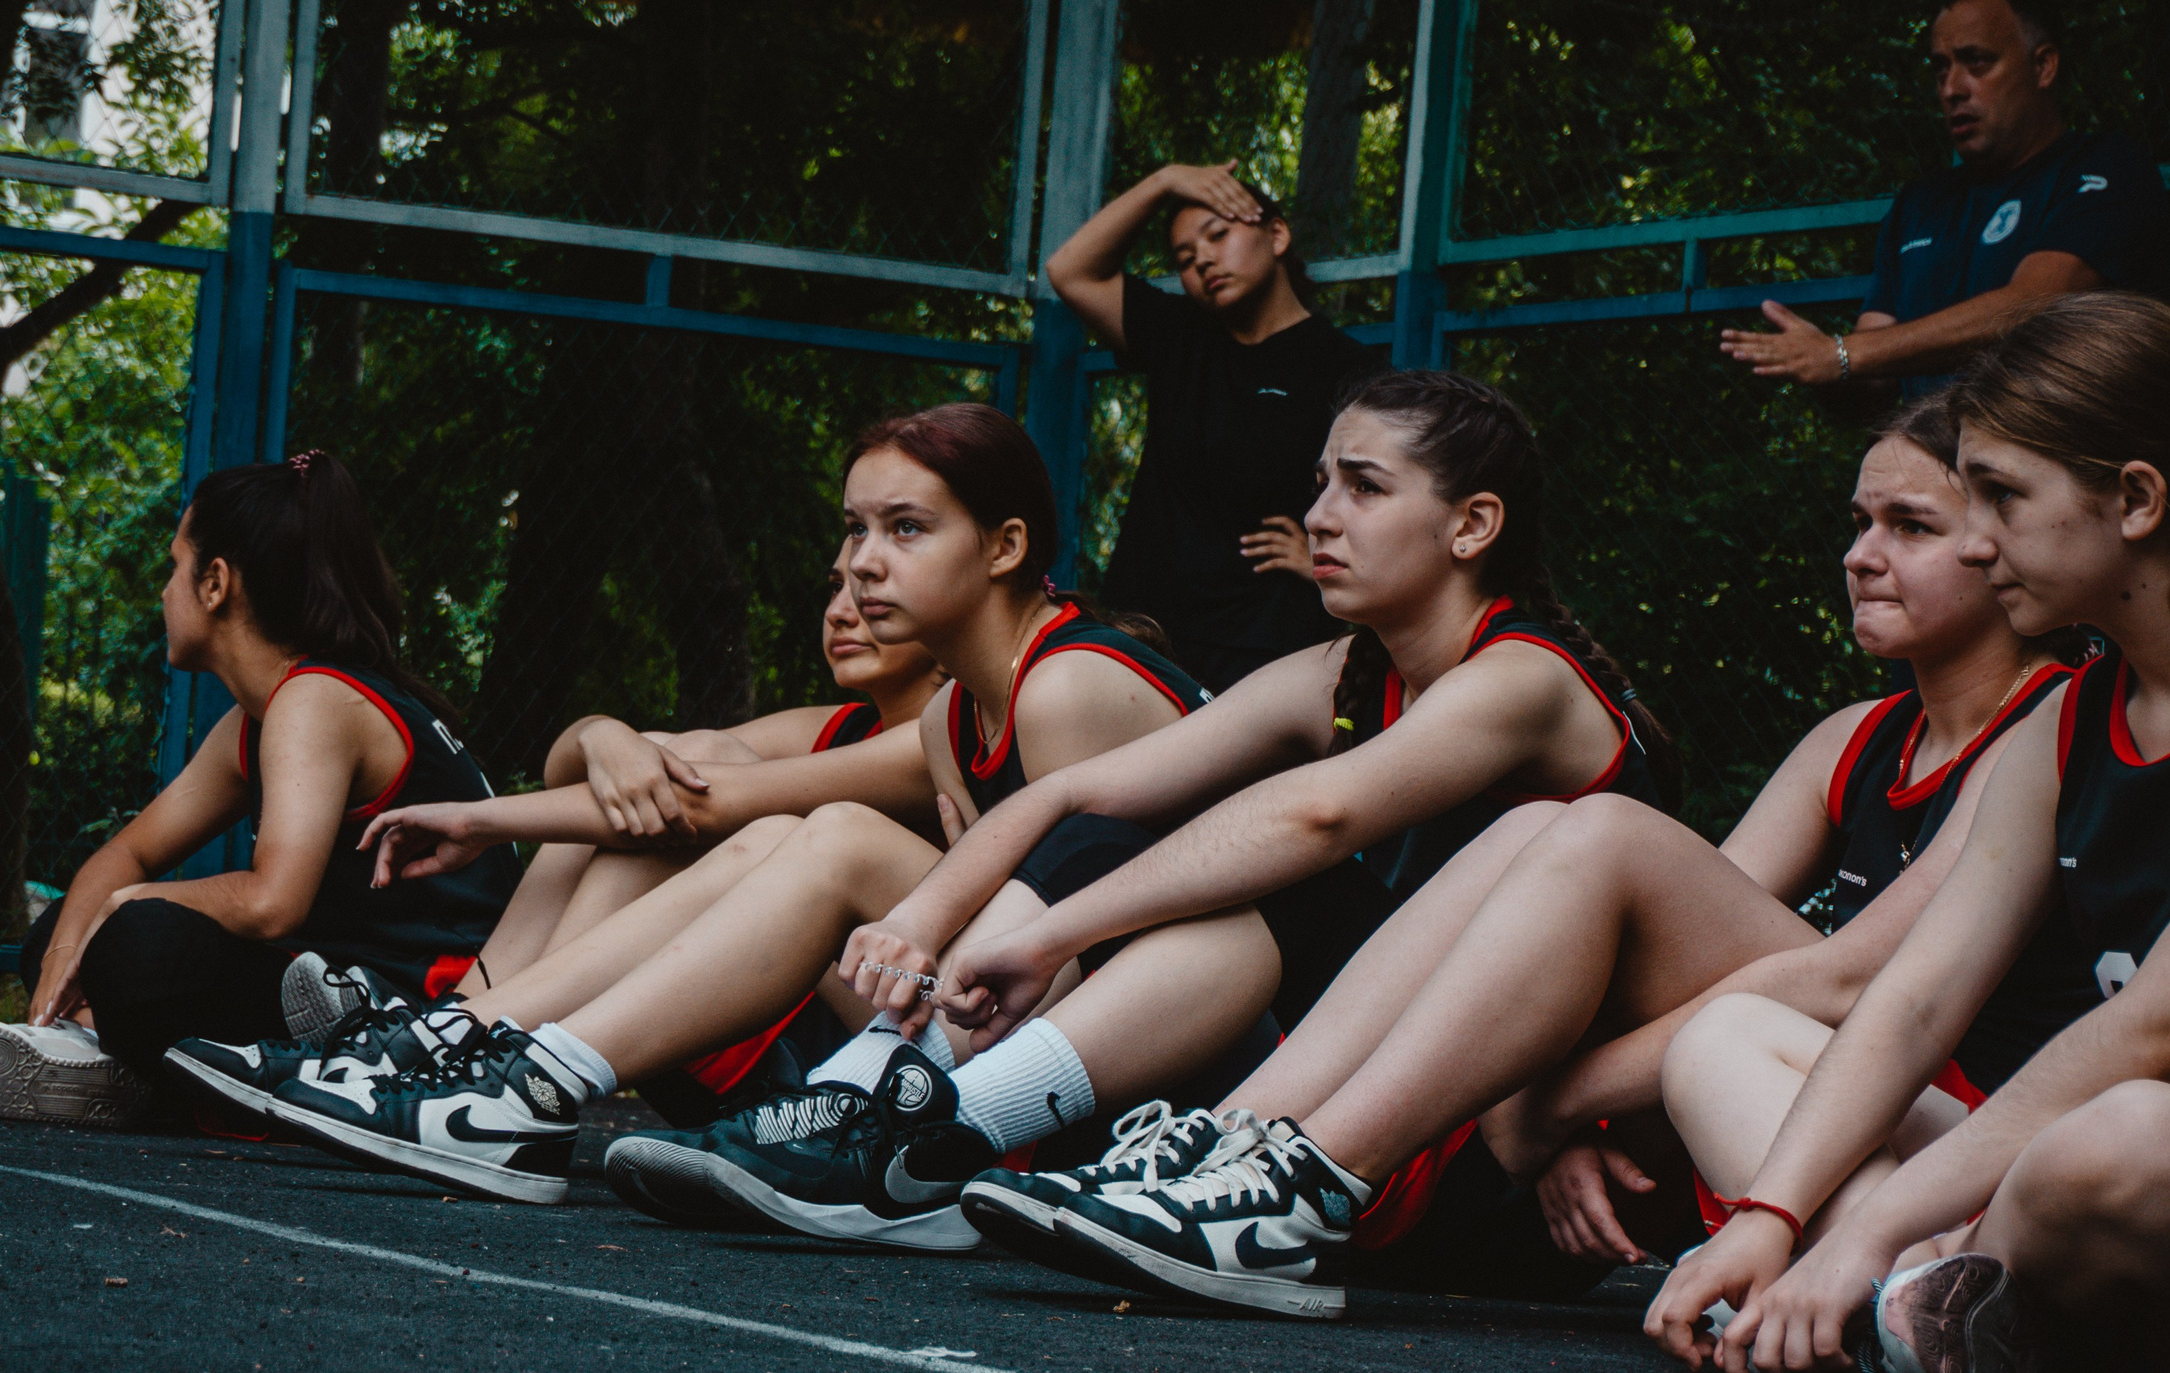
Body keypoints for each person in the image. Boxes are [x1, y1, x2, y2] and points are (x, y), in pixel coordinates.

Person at [947, 395, 2082, 1318]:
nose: (1859, 555)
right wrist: (1563, 1112)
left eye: (1909, 528)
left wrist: (1555, 1101)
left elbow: (1857, 983)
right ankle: (1246, 1150)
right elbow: (1671, 946)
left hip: (1953, 1122)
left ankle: (1291, 1175)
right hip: (1756, 1086)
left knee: (1585, 832)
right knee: (1545, 832)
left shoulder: (2046, 729)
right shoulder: (1852, 739)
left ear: (2000, 542)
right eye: (1859, 522)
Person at [611, 369, 1676, 1258]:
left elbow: (1315, 817)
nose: (1318, 515)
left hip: (1514, 1153)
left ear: (1472, 525)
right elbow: (1075, 794)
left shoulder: (1522, 678)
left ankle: (918, 1131)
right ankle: (889, 1109)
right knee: (1143, 825)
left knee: (1249, 856)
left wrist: (1053, 934)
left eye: (1362, 486)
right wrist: (926, 920)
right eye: (1320, 482)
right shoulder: (1344, 672)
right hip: (1367, 1088)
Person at [187, 403, 1207, 1210]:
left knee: (830, 838)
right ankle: (485, 1060)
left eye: (906, 528)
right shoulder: (957, 716)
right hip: (977, 1027)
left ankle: (484, 1059)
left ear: (1005, 546)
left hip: (1141, 1073)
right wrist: (504, 805)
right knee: (772, 827)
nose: (861, 563)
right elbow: (702, 793)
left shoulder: (1068, 686)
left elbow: (1083, 953)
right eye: (854, 529)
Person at [1651, 295, 2170, 1373]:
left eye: (2001, 499)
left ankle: (1910, 1301)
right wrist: (1770, 1215)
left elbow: (2162, 1028)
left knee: (2124, 1131)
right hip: (2069, 1204)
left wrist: (1864, 1229)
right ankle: (1925, 1311)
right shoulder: (2065, 724)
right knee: (1725, 1038)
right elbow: (1915, 1000)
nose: (1975, 545)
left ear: (2135, 500)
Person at [168, 551, 950, 1142]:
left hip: (891, 1048)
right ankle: (462, 1031)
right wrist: (604, 735)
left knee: (690, 802)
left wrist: (482, 820)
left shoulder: (936, 733)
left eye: (891, 555)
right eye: (835, 585)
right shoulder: (832, 728)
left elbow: (695, 801)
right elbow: (614, 770)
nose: (844, 609)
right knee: (654, 782)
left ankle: (465, 1041)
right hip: (765, 1030)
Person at [0, 451, 517, 1127]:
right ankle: (100, 1051)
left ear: (215, 583)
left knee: (135, 941)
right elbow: (128, 853)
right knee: (62, 929)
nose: (164, 591)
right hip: (329, 982)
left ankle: (127, 1058)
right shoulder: (260, 716)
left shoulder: (316, 698)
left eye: (174, 567)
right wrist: (61, 965)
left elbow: (271, 904)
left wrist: (124, 908)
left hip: (428, 1013)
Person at [1722, 0, 2168, 404]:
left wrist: (1841, 354)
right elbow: (1872, 377)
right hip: (1927, 452)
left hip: (2050, 446)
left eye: (1977, 62)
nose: (1952, 88)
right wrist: (1797, 360)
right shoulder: (1918, 205)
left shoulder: (2104, 167)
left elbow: (2035, 305)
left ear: (2043, 66)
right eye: (1940, 69)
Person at [1048, 160, 1387, 689]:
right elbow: (1070, 270)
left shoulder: (1349, 371)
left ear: (1276, 235)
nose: (1203, 258)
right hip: (1146, 630)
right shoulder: (1177, 335)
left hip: (1264, 642)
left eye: (1218, 234)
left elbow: (1381, 497)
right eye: (1184, 258)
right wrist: (1164, 180)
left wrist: (1324, 559)